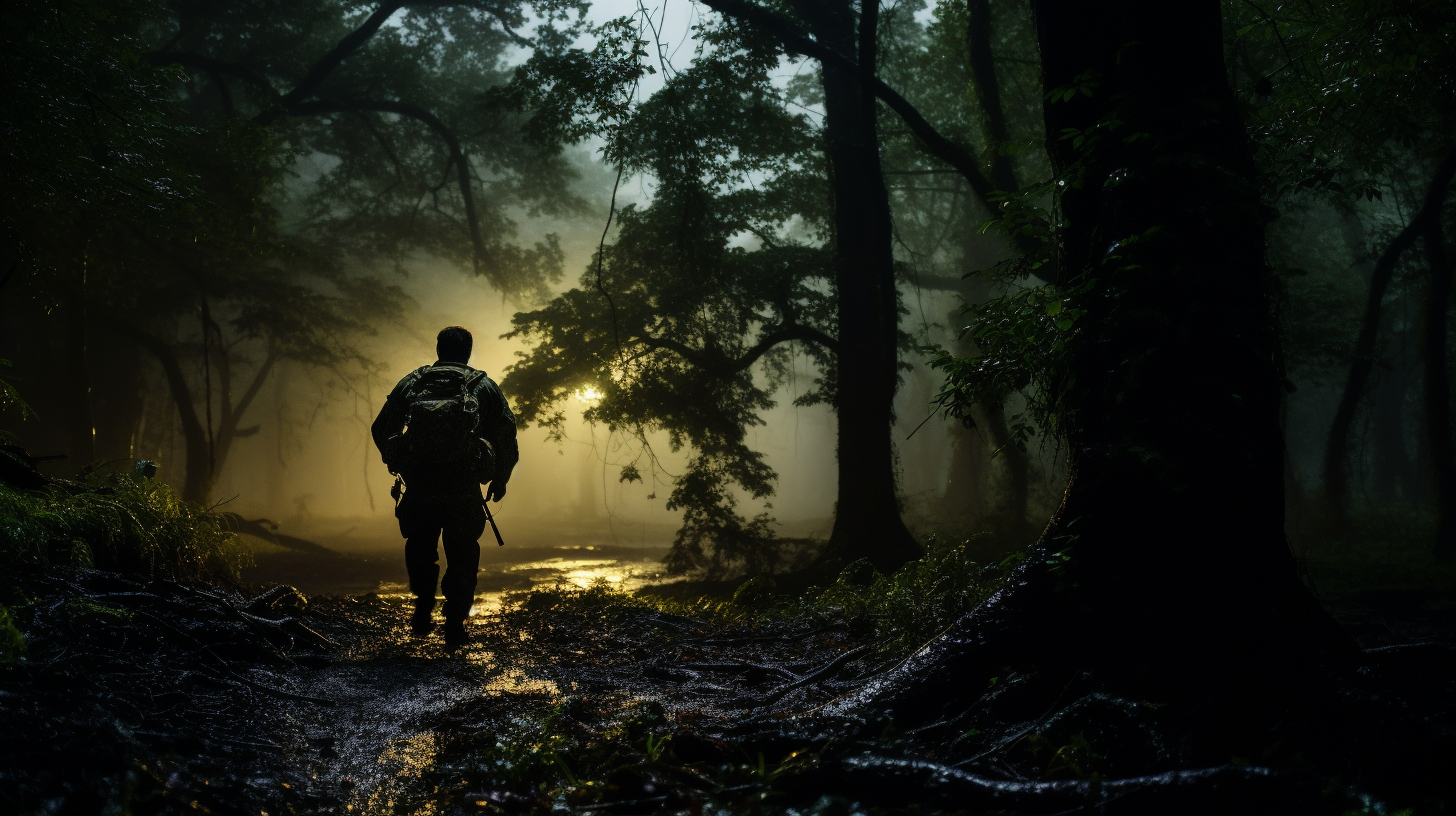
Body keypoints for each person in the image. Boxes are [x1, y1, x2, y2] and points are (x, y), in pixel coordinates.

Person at [371, 326, 518, 647]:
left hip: (419, 484)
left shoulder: (413, 383)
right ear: (468, 352)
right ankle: (455, 623)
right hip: (463, 486)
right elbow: (507, 433)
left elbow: (381, 427)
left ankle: (424, 605)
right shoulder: (483, 386)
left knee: (420, 545)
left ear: (438, 350)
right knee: (463, 552)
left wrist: (396, 460)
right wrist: (500, 476)